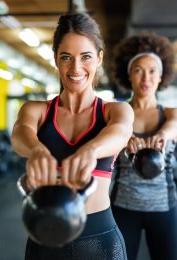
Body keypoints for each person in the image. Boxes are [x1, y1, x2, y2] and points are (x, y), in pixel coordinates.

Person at [11, 13, 134, 260]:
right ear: (56, 59)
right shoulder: (37, 111)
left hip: (100, 241)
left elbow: (120, 133)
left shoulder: (115, 111)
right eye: (66, 57)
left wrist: (90, 150)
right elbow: (20, 133)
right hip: (44, 238)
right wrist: (36, 149)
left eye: (85, 57)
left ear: (99, 58)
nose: (76, 68)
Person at [111, 32, 177, 260]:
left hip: (164, 208)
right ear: (129, 75)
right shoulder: (117, 115)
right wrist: (121, 138)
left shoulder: (170, 114)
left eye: (152, 71)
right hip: (123, 207)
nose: (145, 78)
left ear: (161, 77)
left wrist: (162, 134)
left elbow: (175, 126)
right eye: (138, 70)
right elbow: (111, 135)